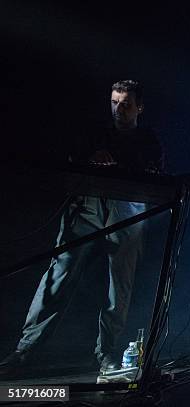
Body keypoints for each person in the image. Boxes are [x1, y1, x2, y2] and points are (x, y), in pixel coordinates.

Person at [0, 80, 164, 376]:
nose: (119, 109)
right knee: (59, 275)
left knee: (119, 287)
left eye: (126, 103)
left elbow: (153, 171)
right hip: (86, 207)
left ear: (139, 107)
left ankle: (107, 354)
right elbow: (72, 155)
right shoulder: (96, 133)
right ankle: (25, 351)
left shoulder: (149, 139)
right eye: (114, 102)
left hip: (126, 211)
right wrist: (90, 158)